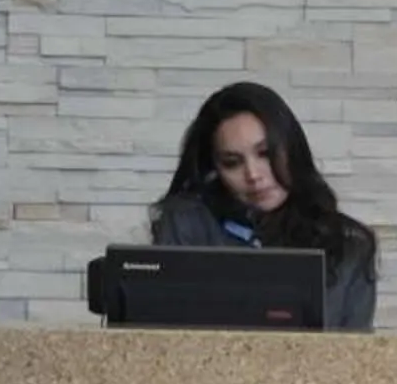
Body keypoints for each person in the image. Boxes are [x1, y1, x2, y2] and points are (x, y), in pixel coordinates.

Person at [152, 81, 379, 331]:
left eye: (265, 154)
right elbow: (165, 342)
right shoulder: (188, 222)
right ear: (214, 170)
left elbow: (356, 359)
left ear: (292, 147)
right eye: (232, 162)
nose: (253, 175)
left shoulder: (350, 246)